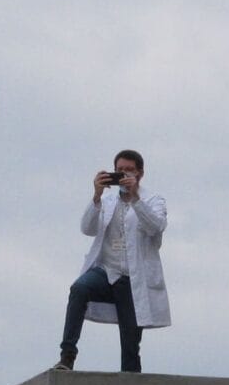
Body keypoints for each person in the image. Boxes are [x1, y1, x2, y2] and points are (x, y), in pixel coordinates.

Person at [52, 149, 169, 373]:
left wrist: (135, 198)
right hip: (107, 271)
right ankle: (67, 356)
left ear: (140, 174)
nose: (123, 175)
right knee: (79, 289)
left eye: (129, 171)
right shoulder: (106, 200)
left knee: (130, 345)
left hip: (134, 280)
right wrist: (95, 197)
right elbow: (87, 228)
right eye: (119, 170)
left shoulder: (154, 200)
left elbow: (156, 227)